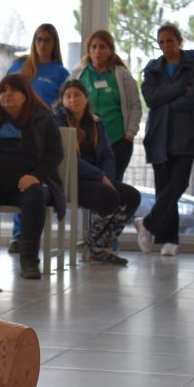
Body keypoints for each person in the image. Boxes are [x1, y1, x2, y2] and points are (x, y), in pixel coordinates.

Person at [0, 74, 65, 280]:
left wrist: (35, 176)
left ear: (26, 94)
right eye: (3, 90)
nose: (7, 94)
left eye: (13, 90)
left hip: (27, 184)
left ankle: (29, 260)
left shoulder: (43, 118)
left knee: (35, 196)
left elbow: (56, 152)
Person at [136, 23, 194, 257]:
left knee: (177, 186)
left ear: (179, 40)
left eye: (170, 40)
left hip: (186, 134)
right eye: (162, 42)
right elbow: (150, 98)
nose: (166, 45)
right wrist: (180, 89)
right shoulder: (153, 69)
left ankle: (147, 223)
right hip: (159, 134)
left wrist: (165, 103)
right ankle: (169, 240)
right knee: (164, 189)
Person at [54, 80, 140, 265]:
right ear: (62, 101)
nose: (73, 99)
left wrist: (106, 176)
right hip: (70, 178)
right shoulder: (56, 122)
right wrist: (100, 176)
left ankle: (99, 245)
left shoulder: (95, 122)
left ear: (86, 98)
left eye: (77, 95)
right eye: (68, 96)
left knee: (132, 196)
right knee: (109, 196)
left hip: (95, 177)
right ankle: (94, 242)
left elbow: (107, 153)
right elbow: (68, 160)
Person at [5, 23, 70, 255]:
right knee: (17, 180)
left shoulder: (60, 72)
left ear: (55, 44)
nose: (43, 44)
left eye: (48, 40)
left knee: (34, 184)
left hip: (43, 134)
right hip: (15, 132)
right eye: (39, 39)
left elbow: (65, 104)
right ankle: (18, 236)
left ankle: (28, 237)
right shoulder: (20, 65)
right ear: (34, 42)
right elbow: (5, 92)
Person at [70, 30, 142, 183]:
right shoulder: (77, 74)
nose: (97, 51)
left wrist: (129, 134)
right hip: (85, 141)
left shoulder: (122, 74)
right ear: (88, 50)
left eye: (102, 47)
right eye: (93, 47)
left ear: (110, 50)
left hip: (117, 139)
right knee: (91, 185)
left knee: (113, 185)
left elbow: (135, 105)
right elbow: (66, 101)